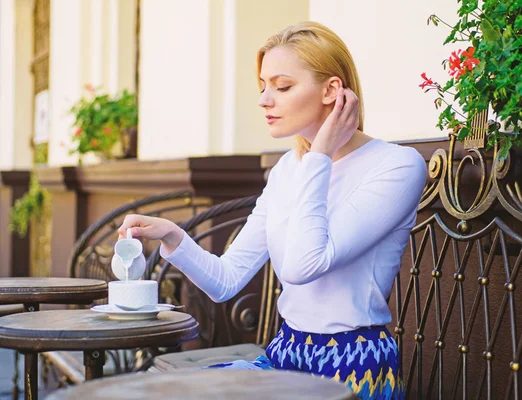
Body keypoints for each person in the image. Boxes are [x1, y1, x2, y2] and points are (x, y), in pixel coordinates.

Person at [118, 21, 426, 400]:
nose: (265, 99)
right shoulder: (289, 168)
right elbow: (225, 281)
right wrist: (172, 235)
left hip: (352, 367)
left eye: (282, 86)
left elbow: (303, 265)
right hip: (285, 356)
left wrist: (320, 155)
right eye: (263, 86)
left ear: (332, 90)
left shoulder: (397, 166)